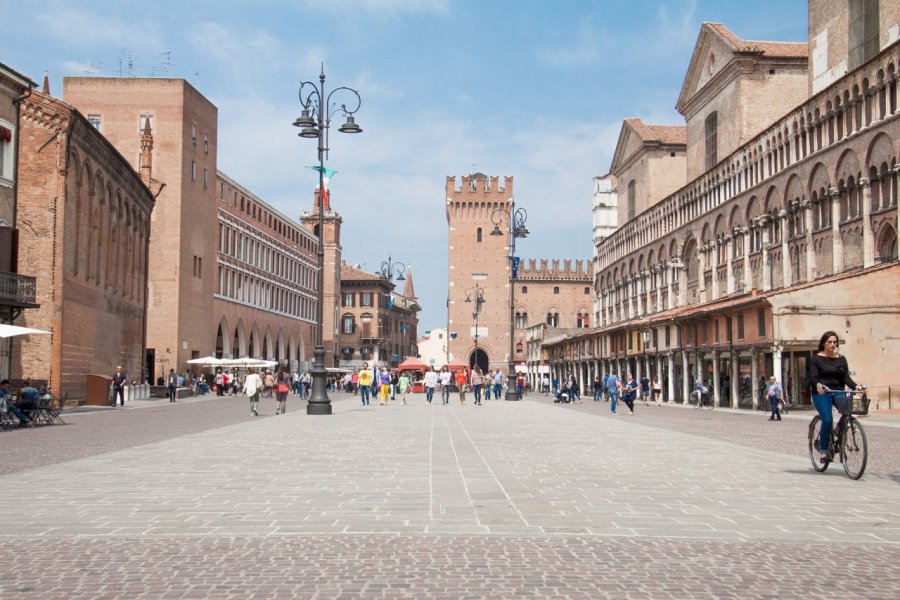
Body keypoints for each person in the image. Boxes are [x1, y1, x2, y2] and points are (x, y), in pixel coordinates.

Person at [810, 330, 859, 463]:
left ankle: (837, 430)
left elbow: (846, 377)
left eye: (835, 342)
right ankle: (824, 451)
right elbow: (813, 377)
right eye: (829, 342)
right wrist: (817, 384)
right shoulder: (816, 358)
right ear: (824, 343)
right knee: (827, 419)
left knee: (848, 411)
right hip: (822, 393)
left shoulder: (841, 359)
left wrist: (856, 386)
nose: (832, 344)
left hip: (838, 391)